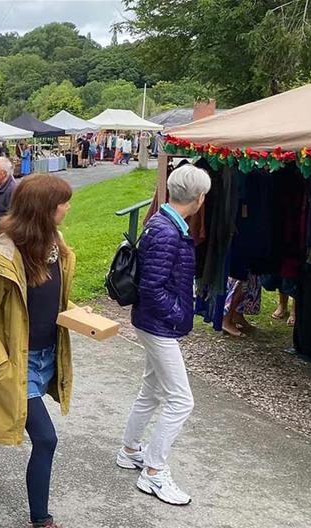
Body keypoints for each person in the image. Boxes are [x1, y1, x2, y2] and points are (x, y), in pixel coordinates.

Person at [0, 174, 78, 528]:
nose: (68, 207)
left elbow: (50, 299)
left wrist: (77, 314)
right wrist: (1, 364)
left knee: (10, 411)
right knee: (46, 439)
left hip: (46, 356)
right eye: (63, 202)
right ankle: (41, 521)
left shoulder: (56, 245)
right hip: (16, 361)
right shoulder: (6, 258)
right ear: (45, 210)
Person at [117, 164, 211, 506]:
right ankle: (154, 472)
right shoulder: (168, 230)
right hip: (159, 325)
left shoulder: (165, 224)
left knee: (152, 390)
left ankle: (130, 450)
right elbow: (151, 286)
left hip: (154, 323)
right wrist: (176, 315)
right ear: (199, 198)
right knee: (181, 400)